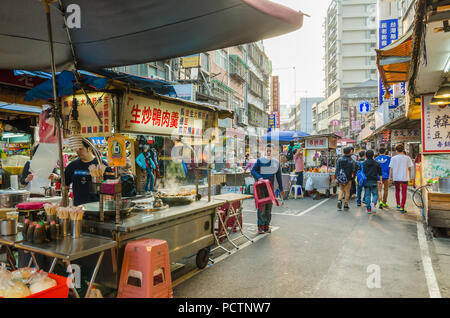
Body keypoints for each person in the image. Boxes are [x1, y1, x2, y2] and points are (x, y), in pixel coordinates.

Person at [64, 139, 114, 206]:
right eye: (76, 149)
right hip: (79, 209)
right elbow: (65, 185)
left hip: (99, 208)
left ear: (90, 148)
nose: (78, 152)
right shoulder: (72, 166)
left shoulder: (102, 165)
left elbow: (111, 187)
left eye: (81, 149)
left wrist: (108, 196)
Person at [251, 144, 284, 234]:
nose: (269, 152)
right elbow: (253, 171)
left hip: (270, 188)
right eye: (267, 150)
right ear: (265, 151)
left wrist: (281, 189)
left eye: (270, 151)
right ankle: (260, 227)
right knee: (262, 207)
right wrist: (259, 177)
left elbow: (279, 176)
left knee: (269, 207)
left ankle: (266, 226)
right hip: (260, 188)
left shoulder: (276, 163)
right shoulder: (260, 161)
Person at [389, 144, 413, 213]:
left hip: (396, 177)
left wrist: (390, 177)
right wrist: (409, 176)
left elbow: (391, 168)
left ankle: (398, 204)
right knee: (404, 192)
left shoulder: (393, 158)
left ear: (396, 150)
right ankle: (402, 207)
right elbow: (409, 168)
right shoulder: (407, 158)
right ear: (403, 149)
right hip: (404, 177)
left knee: (397, 191)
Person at [362, 150, 382, 214]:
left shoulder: (363, 163)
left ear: (366, 155)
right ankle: (373, 203)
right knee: (375, 194)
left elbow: (362, 172)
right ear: (373, 155)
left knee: (367, 195)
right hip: (374, 180)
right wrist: (380, 181)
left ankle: (368, 209)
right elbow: (380, 173)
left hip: (366, 181)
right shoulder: (377, 163)